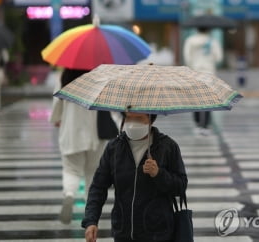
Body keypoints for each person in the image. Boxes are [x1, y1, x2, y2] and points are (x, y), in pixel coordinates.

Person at [82, 112, 188, 242]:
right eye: (128, 117)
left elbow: (181, 185)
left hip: (157, 233)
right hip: (122, 233)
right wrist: (91, 221)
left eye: (138, 118)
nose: (132, 123)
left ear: (151, 120)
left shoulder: (167, 147)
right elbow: (98, 187)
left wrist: (159, 174)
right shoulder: (114, 148)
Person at [50, 68, 119, 224]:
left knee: (71, 169)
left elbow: (57, 103)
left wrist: (57, 118)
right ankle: (90, 210)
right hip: (95, 133)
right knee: (92, 172)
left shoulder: (64, 76)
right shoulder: (98, 76)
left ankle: (69, 194)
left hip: (71, 131)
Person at [183, 27, 223, 135]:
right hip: (209, 73)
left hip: (195, 73)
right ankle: (205, 125)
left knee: (195, 99)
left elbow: (187, 58)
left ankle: (197, 124)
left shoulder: (190, 40)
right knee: (208, 99)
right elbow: (218, 58)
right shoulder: (212, 41)